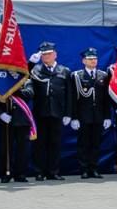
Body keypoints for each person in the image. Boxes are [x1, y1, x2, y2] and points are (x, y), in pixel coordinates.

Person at [28, 42, 71, 181]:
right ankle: (39, 171)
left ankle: (53, 171)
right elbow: (23, 77)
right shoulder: (35, 70)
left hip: (57, 112)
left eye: (49, 54)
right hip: (40, 112)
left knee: (55, 143)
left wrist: (68, 114)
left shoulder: (64, 71)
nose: (46, 56)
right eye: (44, 54)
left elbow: (69, 95)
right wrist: (30, 63)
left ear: (55, 54)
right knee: (39, 143)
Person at [71, 48, 109, 179]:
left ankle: (94, 168)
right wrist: (74, 117)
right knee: (83, 144)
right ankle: (84, 169)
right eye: (90, 59)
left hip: (98, 115)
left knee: (96, 143)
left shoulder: (103, 75)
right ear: (84, 61)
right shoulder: (77, 76)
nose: (93, 61)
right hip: (83, 116)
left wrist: (107, 116)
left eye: (95, 59)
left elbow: (106, 98)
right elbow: (73, 98)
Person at [0, 77, 32, 185]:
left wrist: (14, 87)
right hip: (6, 120)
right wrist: (0, 114)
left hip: (21, 120)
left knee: (22, 149)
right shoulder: (1, 80)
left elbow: (29, 94)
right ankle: (6, 173)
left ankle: (21, 174)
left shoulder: (26, 81)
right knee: (5, 148)